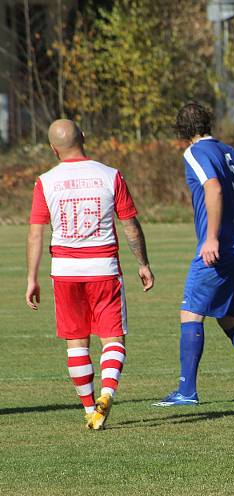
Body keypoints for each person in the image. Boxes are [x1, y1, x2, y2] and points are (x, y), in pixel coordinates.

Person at [26, 119, 155, 429]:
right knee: (112, 338)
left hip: (65, 271)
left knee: (76, 341)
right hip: (104, 269)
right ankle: (107, 395)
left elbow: (35, 233)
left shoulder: (46, 181)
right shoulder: (110, 175)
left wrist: (32, 277)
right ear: (83, 137)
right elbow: (130, 224)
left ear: (53, 149)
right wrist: (143, 263)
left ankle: (89, 409)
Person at [154, 102, 234, 406]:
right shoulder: (230, 151)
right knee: (227, 315)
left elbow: (214, 188)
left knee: (190, 312)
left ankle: (186, 392)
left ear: (182, 130)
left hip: (219, 246)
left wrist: (210, 237)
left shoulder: (194, 153)